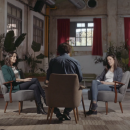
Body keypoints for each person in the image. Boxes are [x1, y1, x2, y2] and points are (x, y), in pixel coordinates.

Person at [44, 43, 82, 121]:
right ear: (69, 51)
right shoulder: (75, 62)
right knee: (79, 94)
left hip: (55, 94)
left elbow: (48, 78)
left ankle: (58, 113)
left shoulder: (53, 61)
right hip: (71, 95)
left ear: (58, 51)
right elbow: (80, 78)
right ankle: (66, 112)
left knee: (46, 96)